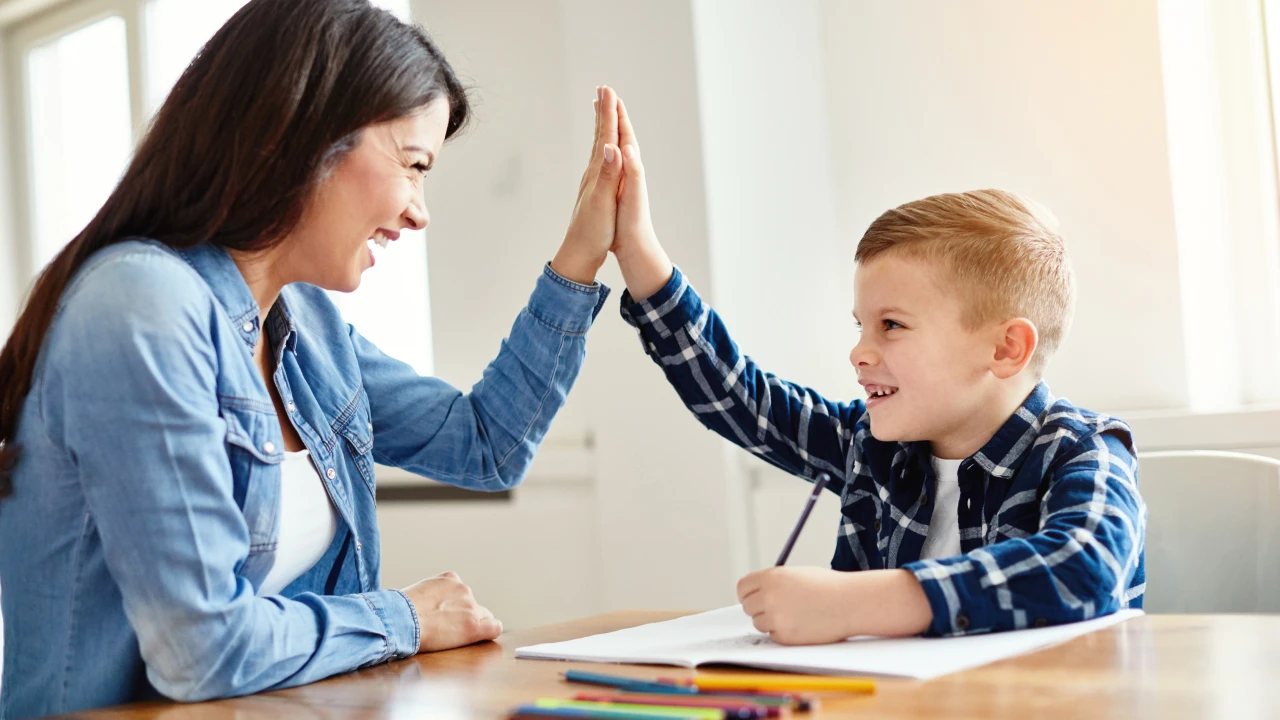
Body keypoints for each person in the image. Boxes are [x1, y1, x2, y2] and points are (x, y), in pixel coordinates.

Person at [0, 1, 629, 716]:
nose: (420, 211)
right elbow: (202, 649)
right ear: (304, 134)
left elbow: (487, 447)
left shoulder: (309, 329)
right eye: (413, 165)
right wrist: (406, 617)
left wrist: (582, 256)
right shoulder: (140, 305)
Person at [606, 100, 1145, 643]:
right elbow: (741, 399)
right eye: (860, 325)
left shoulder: (1082, 450)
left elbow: (1086, 567)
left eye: (891, 325)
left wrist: (855, 604)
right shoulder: (872, 445)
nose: (858, 353)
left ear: (1005, 349)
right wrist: (637, 251)